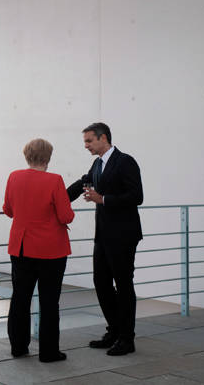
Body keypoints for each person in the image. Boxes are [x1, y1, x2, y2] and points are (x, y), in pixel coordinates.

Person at [67, 122, 143, 356]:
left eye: (89, 141)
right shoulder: (97, 163)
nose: (86, 146)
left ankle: (127, 339)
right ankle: (114, 330)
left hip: (123, 235)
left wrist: (104, 199)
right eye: (85, 142)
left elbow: (137, 196)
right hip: (103, 235)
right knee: (101, 283)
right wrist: (55, 199)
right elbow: (83, 183)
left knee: (123, 285)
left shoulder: (125, 161)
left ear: (103, 138)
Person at [3, 138, 75, 362]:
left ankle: (18, 347)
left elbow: (8, 210)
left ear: (27, 155)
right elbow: (66, 216)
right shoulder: (55, 180)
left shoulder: (14, 176)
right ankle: (48, 352)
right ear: (48, 157)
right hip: (50, 250)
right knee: (49, 302)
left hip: (21, 248)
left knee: (20, 299)